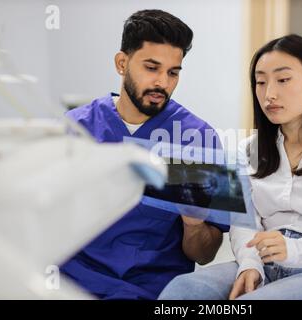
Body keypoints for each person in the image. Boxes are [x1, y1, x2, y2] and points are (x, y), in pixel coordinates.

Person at [158, 34, 302, 300]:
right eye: (261, 82)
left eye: (283, 80)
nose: (269, 94)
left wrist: (292, 249)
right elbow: (243, 225)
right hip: (264, 263)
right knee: (181, 291)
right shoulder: (247, 150)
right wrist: (250, 265)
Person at [60, 9, 228, 300]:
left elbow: (204, 254)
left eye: (173, 72)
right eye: (152, 68)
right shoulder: (75, 128)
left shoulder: (199, 139)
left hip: (150, 288)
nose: (163, 82)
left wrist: (194, 224)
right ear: (122, 63)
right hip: (72, 280)